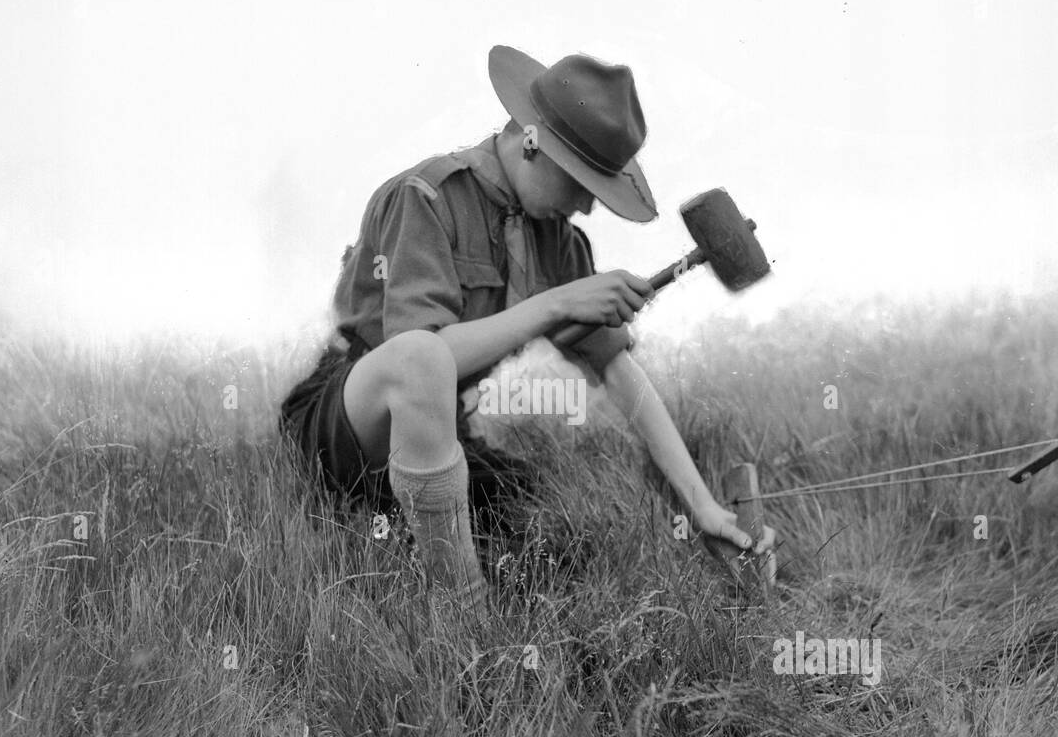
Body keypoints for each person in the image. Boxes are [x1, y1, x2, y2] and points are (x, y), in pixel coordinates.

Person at [280, 44, 773, 628]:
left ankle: (428, 547)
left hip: (439, 435)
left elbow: (617, 371)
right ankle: (463, 623)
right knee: (420, 359)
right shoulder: (426, 198)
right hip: (346, 422)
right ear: (533, 143)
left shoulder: (558, 242)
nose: (588, 205)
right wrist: (558, 302)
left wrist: (703, 505)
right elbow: (423, 353)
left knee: (548, 529)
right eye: (581, 182)